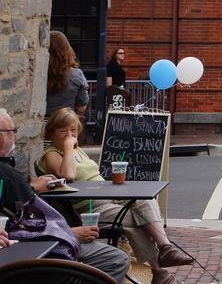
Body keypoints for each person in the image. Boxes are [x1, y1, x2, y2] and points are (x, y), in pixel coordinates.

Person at [39, 109, 193, 284]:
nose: (69, 135)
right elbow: (69, 175)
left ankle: (165, 247)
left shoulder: (78, 151)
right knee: (135, 221)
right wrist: (68, 146)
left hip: (108, 194)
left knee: (144, 199)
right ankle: (159, 271)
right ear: (51, 132)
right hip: (89, 206)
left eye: (73, 130)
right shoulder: (51, 154)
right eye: (63, 131)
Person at [0, 108, 130, 283]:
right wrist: (69, 232)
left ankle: (160, 257)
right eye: (12, 131)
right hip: (38, 248)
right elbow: (31, 225)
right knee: (117, 257)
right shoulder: (12, 173)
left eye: (73, 130)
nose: (14, 136)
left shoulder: (11, 175)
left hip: (40, 239)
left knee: (140, 212)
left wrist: (30, 183)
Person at [46, 31, 90, 118]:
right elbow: (82, 107)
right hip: (64, 122)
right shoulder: (77, 74)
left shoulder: (37, 74)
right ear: (67, 49)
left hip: (40, 123)